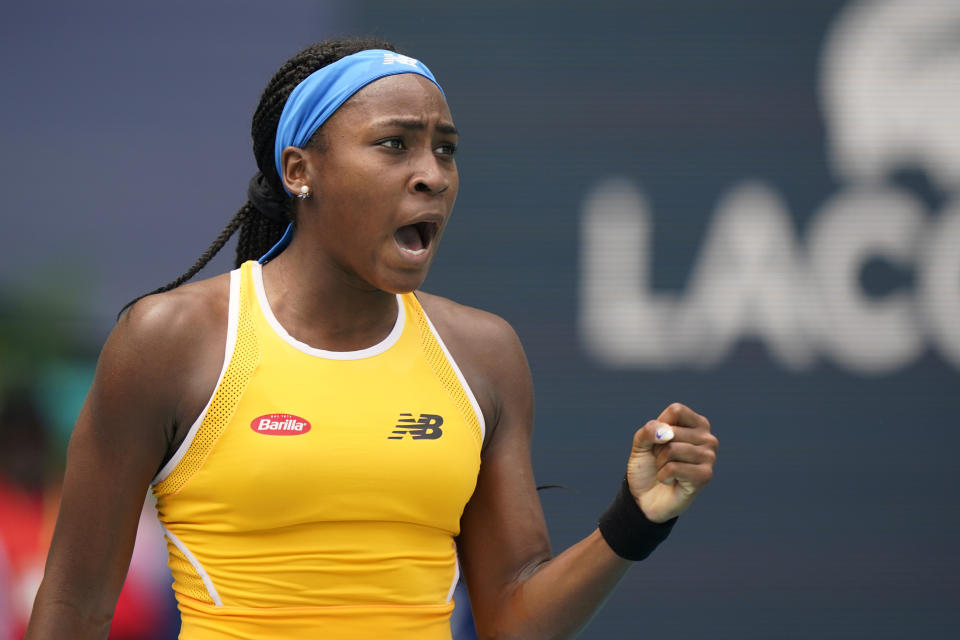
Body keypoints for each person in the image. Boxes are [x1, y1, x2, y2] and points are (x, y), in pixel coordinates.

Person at [26, 38, 718, 639]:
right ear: (300, 171)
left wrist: (635, 522)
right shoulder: (171, 339)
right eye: (396, 144)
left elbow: (512, 620)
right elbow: (75, 608)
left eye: (445, 150)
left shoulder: (483, 355)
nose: (433, 175)